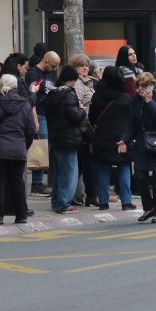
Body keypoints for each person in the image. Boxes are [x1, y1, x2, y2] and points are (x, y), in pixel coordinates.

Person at [119, 73, 156, 224]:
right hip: (143, 141)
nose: (141, 89)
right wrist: (124, 140)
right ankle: (149, 207)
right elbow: (132, 124)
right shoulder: (135, 100)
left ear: (152, 85)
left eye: (144, 86)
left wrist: (150, 102)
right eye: (139, 86)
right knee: (139, 174)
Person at [0, 74, 36, 224]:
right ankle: (21, 215)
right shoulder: (25, 105)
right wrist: (24, 145)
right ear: (16, 86)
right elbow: (30, 130)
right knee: (18, 182)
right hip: (18, 148)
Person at [88, 67, 135, 211]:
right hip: (122, 139)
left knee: (103, 168)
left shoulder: (97, 96)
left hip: (102, 137)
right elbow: (131, 118)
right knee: (124, 167)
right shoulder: (125, 97)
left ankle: (103, 202)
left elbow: (92, 118)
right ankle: (126, 202)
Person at [41, 66, 86, 214]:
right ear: (72, 79)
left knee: (58, 173)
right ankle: (64, 204)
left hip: (55, 137)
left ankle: (57, 202)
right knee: (70, 172)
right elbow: (74, 116)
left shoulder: (52, 93)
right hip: (68, 138)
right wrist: (82, 111)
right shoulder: (68, 94)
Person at [25, 51, 60, 196]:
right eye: (53, 66)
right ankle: (37, 183)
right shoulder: (33, 74)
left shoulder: (49, 74)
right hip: (38, 113)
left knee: (46, 147)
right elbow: (31, 96)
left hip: (48, 113)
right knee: (40, 147)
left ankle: (40, 182)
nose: (54, 69)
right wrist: (34, 119)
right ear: (46, 61)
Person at [68, 54, 97, 207]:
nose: (85, 67)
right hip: (82, 128)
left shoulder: (88, 82)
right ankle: (80, 194)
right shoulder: (78, 84)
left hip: (86, 126)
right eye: (81, 65)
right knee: (83, 164)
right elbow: (77, 104)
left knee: (81, 164)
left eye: (86, 65)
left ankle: (81, 194)